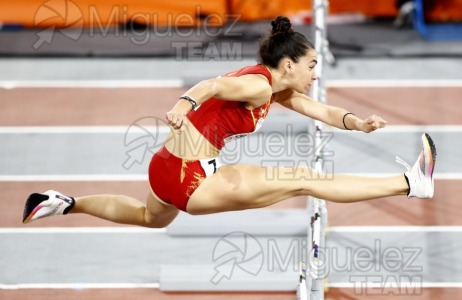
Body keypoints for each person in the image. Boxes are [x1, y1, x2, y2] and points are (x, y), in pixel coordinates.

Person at [23, 16, 437, 227]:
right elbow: (210, 85)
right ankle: (410, 184)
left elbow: (321, 110)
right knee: (305, 178)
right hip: (192, 177)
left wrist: (358, 123)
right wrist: (183, 105)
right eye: (311, 65)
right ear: (287, 64)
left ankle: (64, 203)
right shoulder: (258, 87)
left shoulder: (274, 87)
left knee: (149, 218)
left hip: (166, 167)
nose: (316, 73)